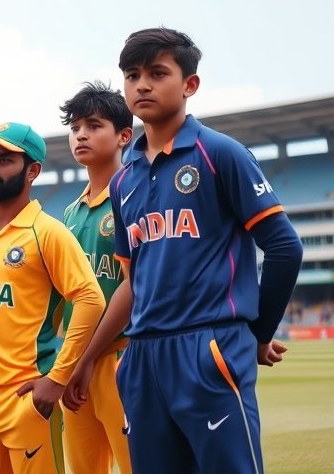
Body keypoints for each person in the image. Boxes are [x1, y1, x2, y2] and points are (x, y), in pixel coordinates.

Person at [75, 27, 303, 474]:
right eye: (132, 74)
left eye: (158, 73)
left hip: (209, 346)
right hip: (142, 359)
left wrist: (257, 334)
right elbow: (131, 285)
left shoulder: (219, 152)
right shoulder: (124, 181)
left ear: (189, 84)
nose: (142, 84)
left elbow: (284, 247)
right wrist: (86, 360)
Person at [0, 122, 106, 474]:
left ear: (32, 171)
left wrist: (58, 377)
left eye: (5, 160)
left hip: (25, 397)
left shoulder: (48, 232)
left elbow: (91, 299)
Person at [55, 83, 133, 474]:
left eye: (93, 125)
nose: (81, 134)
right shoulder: (70, 212)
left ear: (123, 136)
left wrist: (85, 359)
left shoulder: (134, 195)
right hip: (75, 364)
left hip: (122, 357)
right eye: (75, 126)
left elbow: (133, 285)